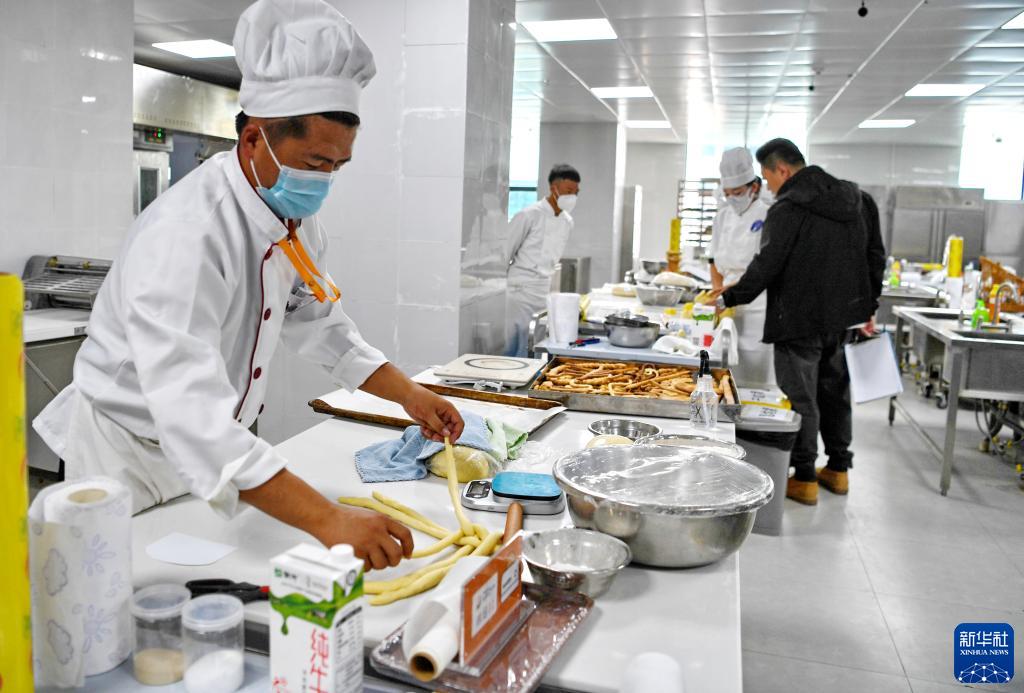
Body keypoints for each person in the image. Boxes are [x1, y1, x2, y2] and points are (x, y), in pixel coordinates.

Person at [33, 0, 465, 571]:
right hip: (124, 456)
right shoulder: (187, 234)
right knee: (120, 593)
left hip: (214, 456)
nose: (323, 180)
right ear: (255, 139)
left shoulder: (292, 221)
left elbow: (320, 324)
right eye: (315, 161)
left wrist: (410, 395)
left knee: (209, 573)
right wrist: (329, 519)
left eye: (337, 166)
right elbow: (190, 411)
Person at [709, 138, 885, 506]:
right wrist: (867, 307)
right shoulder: (859, 200)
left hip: (797, 319)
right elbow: (875, 256)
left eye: (768, 177)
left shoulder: (787, 208)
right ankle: (838, 469)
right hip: (843, 319)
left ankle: (804, 477)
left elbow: (768, 265)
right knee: (834, 394)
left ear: (782, 170)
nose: (770, 186)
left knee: (801, 398)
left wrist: (728, 297)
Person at [708, 147, 774, 384]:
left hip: (758, 304)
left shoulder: (769, 215)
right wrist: (718, 295)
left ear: (754, 187)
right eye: (727, 194)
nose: (732, 199)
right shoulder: (722, 217)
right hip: (727, 303)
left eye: (737, 192)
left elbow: (768, 266)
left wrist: (732, 292)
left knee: (755, 369)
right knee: (725, 364)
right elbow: (713, 260)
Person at [503, 164, 581, 357]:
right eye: (568, 191)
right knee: (514, 343)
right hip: (519, 290)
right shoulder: (529, 215)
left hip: (542, 290)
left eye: (576, 192)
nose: (572, 197)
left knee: (536, 344)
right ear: (553, 188)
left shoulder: (567, 222)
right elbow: (505, 253)